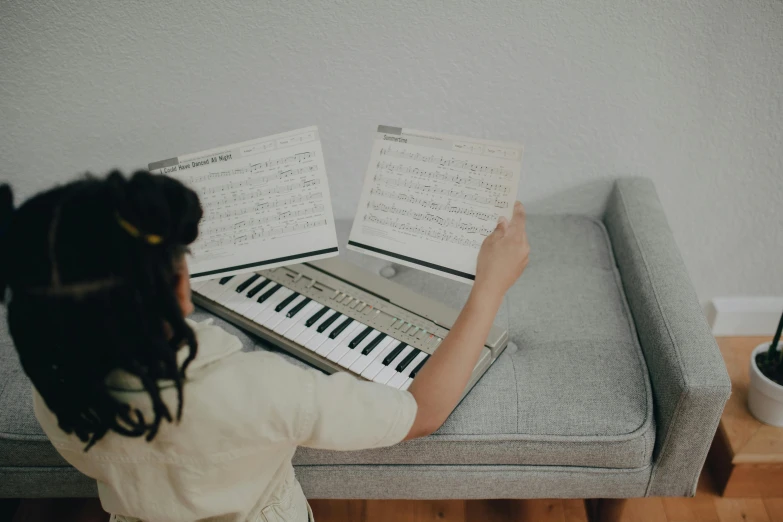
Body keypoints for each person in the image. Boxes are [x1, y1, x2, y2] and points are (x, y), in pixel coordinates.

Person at [0, 170, 529, 522]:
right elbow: (420, 413)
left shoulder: (53, 391)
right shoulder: (259, 391)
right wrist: (489, 287)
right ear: (180, 286)